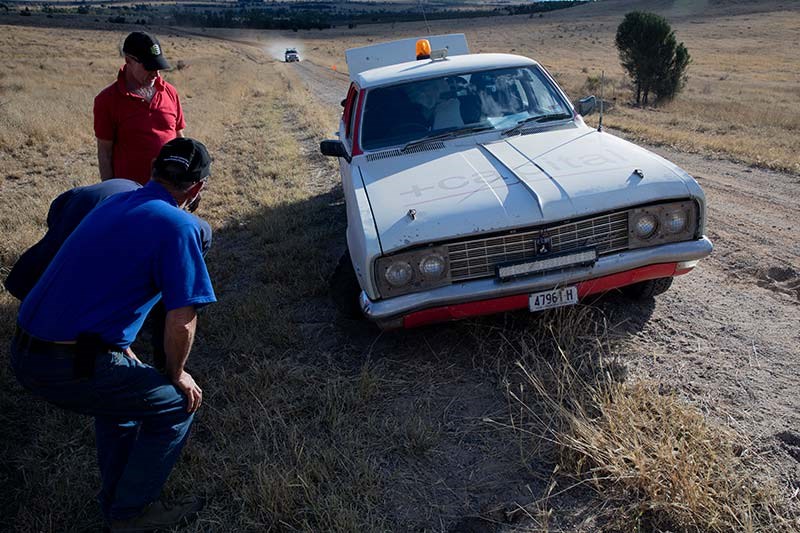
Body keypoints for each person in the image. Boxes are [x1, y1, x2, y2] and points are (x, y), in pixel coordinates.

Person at [10, 138, 216, 531]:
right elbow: (181, 321)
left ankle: (117, 497)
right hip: (63, 365)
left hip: (25, 348)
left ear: (153, 168)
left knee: (122, 400)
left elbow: (95, 286)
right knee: (175, 404)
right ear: (197, 189)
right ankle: (130, 512)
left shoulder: (115, 202)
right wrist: (177, 374)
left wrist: (120, 348)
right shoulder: (180, 226)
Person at [94, 31, 185, 185]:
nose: (155, 74)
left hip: (168, 191)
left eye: (158, 67)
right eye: (149, 67)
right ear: (128, 60)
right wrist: (111, 193)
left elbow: (179, 138)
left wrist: (186, 179)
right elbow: (105, 152)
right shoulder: (107, 100)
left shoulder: (170, 92)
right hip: (131, 195)